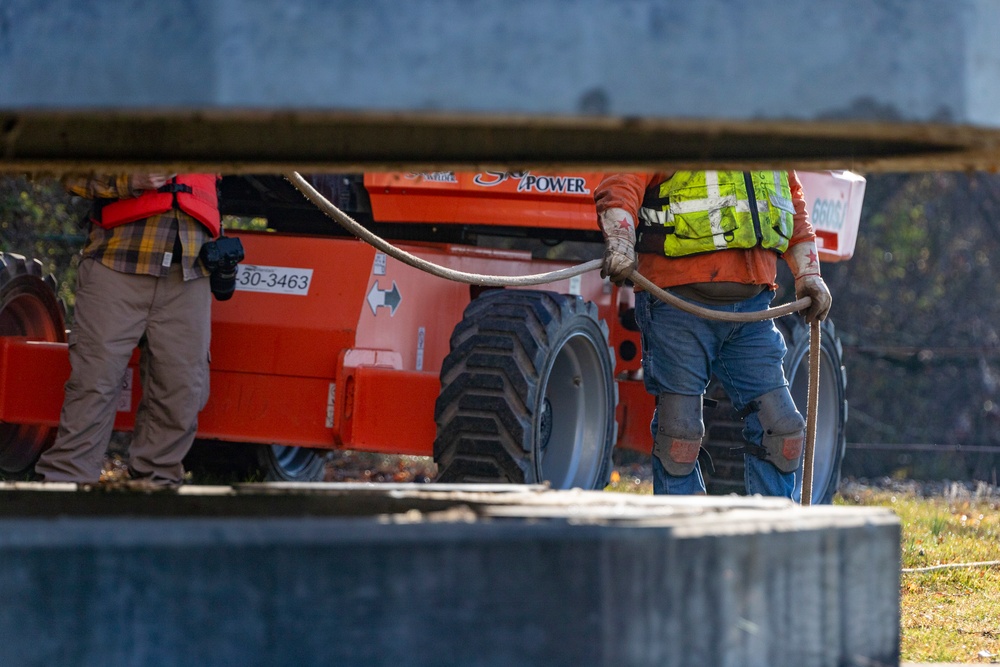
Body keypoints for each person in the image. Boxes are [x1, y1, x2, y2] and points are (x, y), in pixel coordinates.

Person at [596, 170, 832, 499]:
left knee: (782, 430)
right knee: (679, 436)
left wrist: (809, 273)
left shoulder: (767, 131)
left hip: (753, 307)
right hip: (676, 304)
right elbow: (622, 181)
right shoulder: (667, 120)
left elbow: (791, 200)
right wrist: (620, 241)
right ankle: (686, 541)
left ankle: (771, 539)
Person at [34, 173, 221, 487]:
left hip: (191, 273)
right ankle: (63, 487)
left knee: (183, 389)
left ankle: (156, 491)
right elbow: (68, 171)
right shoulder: (113, 122)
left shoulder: (216, 126)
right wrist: (130, 178)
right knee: (94, 383)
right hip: (115, 264)